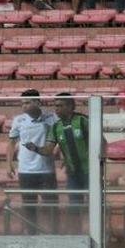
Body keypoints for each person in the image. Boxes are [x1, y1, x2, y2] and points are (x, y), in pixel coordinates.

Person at [7, 89, 59, 235]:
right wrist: (9, 163)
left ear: (37, 102)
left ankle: (55, 234)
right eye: (23, 103)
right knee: (29, 206)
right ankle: (31, 234)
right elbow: (11, 142)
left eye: (28, 103)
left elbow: (60, 136)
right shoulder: (19, 120)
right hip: (25, 170)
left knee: (51, 205)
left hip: (46, 169)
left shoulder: (51, 118)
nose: (24, 106)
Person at [46, 93, 97, 225]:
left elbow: (100, 142)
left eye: (60, 106)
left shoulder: (82, 121)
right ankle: (77, 236)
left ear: (70, 107)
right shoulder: (56, 127)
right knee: (74, 206)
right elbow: (48, 150)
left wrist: (99, 163)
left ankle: (98, 235)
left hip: (90, 172)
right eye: (55, 106)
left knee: (95, 206)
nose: (56, 109)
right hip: (73, 174)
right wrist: (34, 148)